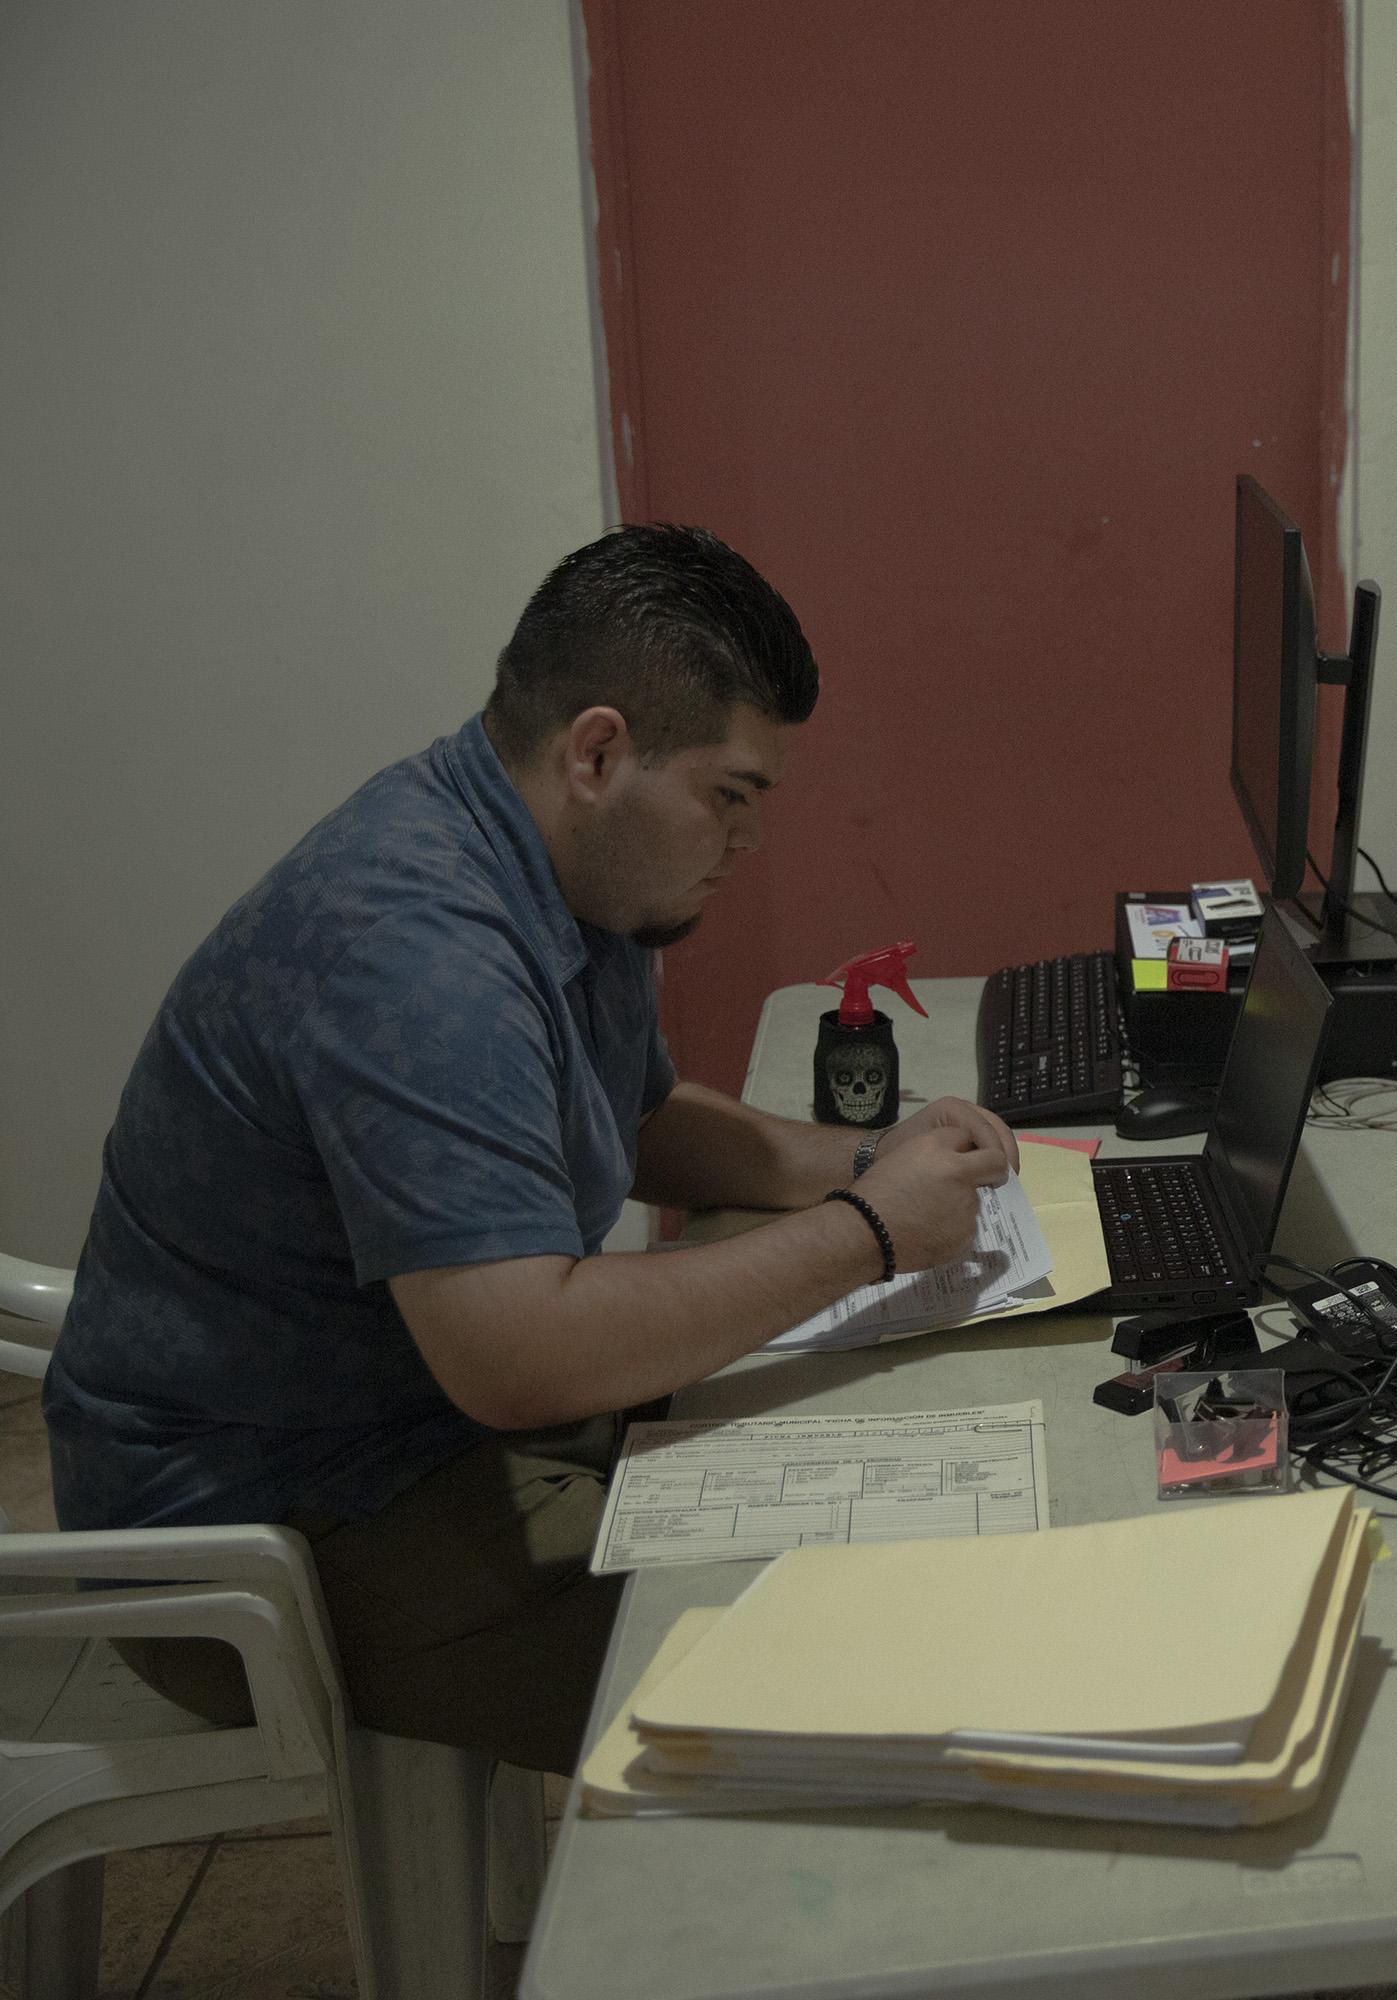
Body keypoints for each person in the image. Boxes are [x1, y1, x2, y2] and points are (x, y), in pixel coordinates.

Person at [44, 525, 1021, 1776]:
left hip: (408, 1428)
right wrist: (874, 1232)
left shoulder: (560, 865)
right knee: (871, 1678)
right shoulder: (418, 951)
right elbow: (520, 1353)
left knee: (877, 1491)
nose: (747, 841)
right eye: (729, 796)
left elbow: (634, 1116)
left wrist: (854, 1159)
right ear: (599, 750)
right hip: (262, 1528)